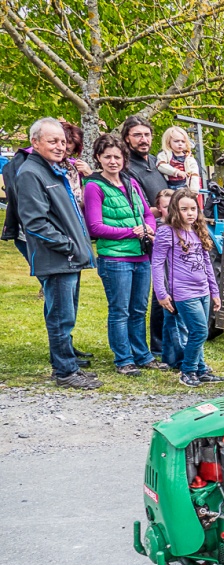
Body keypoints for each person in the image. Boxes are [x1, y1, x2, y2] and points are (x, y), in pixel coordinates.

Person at [16, 118, 100, 388]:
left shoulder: (54, 170)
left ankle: (68, 364)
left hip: (69, 258)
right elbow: (35, 222)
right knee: (61, 317)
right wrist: (69, 246)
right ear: (35, 142)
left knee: (67, 315)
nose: (60, 146)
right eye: (53, 141)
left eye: (63, 141)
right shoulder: (31, 173)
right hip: (57, 259)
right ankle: (65, 372)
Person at [83, 133, 166, 375]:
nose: (112, 161)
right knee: (120, 310)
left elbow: (147, 212)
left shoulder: (131, 182)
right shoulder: (94, 186)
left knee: (139, 309)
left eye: (117, 157)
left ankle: (142, 355)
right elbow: (95, 227)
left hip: (141, 256)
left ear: (123, 158)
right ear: (98, 158)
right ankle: (123, 359)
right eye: (107, 156)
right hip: (115, 258)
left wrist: (149, 226)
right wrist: (131, 231)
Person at [152, 189, 223, 387]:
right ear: (175, 210)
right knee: (200, 331)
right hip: (183, 292)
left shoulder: (198, 230)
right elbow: (157, 264)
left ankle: (201, 369)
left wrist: (214, 291)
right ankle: (188, 370)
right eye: (184, 209)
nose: (190, 213)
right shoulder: (167, 232)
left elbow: (207, 263)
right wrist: (161, 292)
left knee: (197, 331)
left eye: (193, 209)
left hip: (203, 291)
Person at [121, 116, 169, 356]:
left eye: (147, 134)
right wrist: (159, 210)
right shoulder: (126, 167)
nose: (144, 139)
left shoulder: (154, 162)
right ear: (127, 139)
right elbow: (134, 206)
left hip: (166, 230)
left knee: (168, 286)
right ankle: (155, 346)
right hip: (147, 235)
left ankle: (164, 342)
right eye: (137, 135)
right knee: (153, 291)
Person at [155, 126, 201, 192]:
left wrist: (194, 190)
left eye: (183, 141)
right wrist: (177, 172)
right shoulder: (165, 154)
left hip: (184, 187)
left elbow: (195, 174)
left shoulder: (189, 159)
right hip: (167, 186)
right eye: (176, 141)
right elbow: (161, 166)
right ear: (168, 142)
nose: (180, 144)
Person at [59, 121, 92, 207]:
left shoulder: (73, 168)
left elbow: (80, 203)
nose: (61, 150)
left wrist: (89, 177)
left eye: (67, 150)